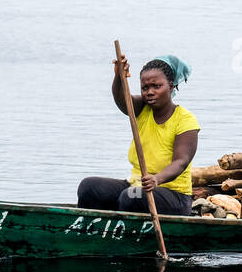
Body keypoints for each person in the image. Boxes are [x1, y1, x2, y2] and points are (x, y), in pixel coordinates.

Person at [77, 54, 200, 215]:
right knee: (89, 187)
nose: (150, 92)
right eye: (145, 88)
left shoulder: (185, 119)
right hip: (136, 186)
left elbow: (181, 162)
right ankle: (92, 233)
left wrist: (157, 179)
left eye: (156, 86)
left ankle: (127, 234)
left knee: (131, 196)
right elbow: (122, 99)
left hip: (174, 195)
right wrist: (119, 77)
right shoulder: (142, 108)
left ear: (170, 87)